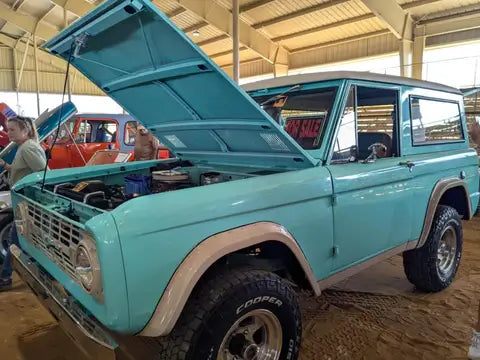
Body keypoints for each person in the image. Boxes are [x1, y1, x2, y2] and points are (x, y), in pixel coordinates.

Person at [0, 116, 46, 291]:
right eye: (7, 129)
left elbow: (43, 173)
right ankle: (7, 275)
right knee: (19, 238)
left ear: (25, 130)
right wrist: (6, 165)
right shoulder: (23, 147)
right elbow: (23, 170)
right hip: (23, 201)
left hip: (28, 202)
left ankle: (6, 276)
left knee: (16, 238)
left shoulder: (28, 149)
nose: (8, 132)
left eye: (12, 129)